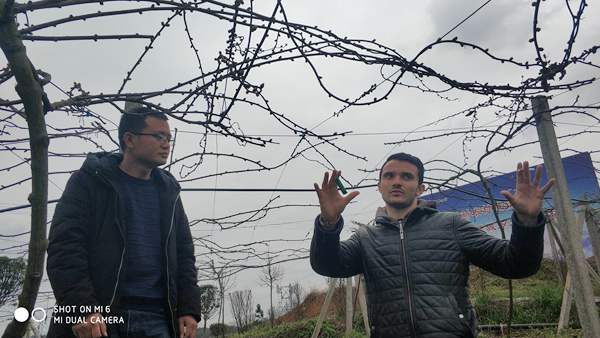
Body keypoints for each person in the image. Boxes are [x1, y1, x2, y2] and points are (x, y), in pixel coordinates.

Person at [310, 152, 554, 338]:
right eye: (389, 176)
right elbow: (327, 265)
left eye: (406, 176)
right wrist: (328, 223)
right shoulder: (366, 238)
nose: (397, 181)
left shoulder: (451, 225)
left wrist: (527, 220)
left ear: (420, 187)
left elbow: (517, 265)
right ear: (380, 186)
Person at [47, 107, 201, 338]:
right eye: (159, 136)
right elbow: (65, 248)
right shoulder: (89, 182)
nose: (166, 144)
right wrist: (82, 309)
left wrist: (188, 309)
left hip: (159, 319)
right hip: (102, 320)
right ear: (129, 139)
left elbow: (184, 254)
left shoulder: (168, 193)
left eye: (169, 138)